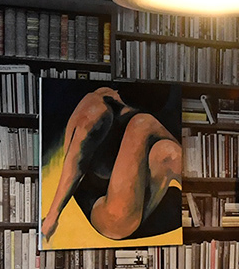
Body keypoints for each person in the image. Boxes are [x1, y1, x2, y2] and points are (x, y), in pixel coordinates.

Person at [41, 87, 183, 242]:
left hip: (130, 201)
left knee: (168, 152)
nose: (132, 113)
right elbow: (75, 163)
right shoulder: (97, 110)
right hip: (105, 213)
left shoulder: (138, 116)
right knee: (143, 123)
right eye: (132, 110)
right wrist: (52, 217)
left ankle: (193, 195)